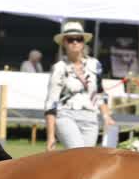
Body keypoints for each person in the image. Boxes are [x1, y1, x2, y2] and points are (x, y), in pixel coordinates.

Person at [44, 21, 115, 150]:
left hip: (91, 118)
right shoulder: (59, 68)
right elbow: (51, 103)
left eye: (79, 39)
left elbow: (99, 93)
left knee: (86, 162)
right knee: (77, 153)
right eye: (71, 39)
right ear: (64, 42)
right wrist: (50, 137)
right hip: (66, 115)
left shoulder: (95, 64)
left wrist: (106, 116)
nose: (75, 42)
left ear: (83, 42)